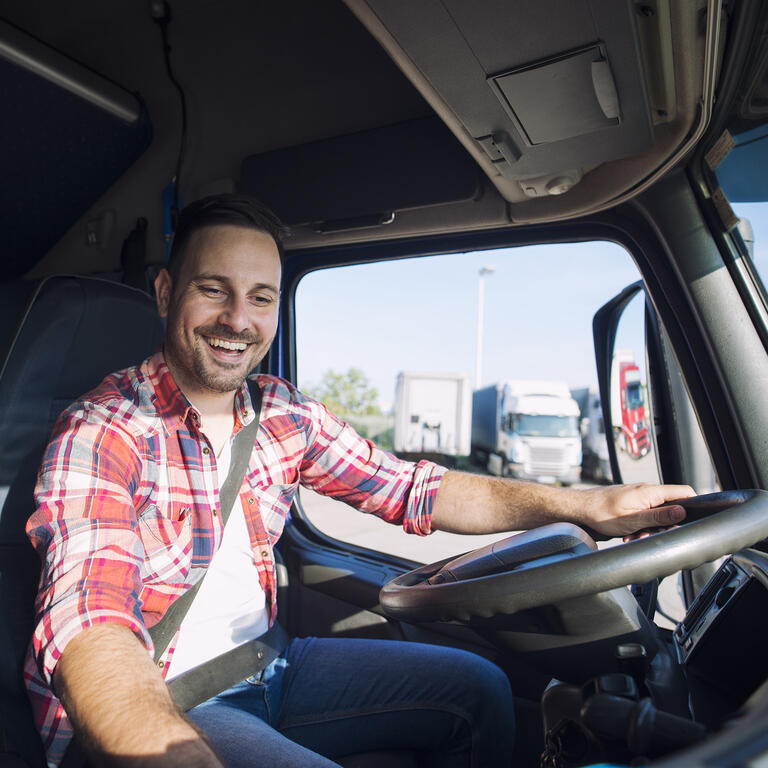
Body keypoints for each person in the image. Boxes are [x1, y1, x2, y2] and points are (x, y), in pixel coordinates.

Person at [24, 194, 693, 768]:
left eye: (261, 298)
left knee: (481, 691)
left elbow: (417, 490)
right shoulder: (105, 428)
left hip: (272, 663)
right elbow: (89, 624)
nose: (239, 320)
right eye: (213, 290)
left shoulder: (282, 414)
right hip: (172, 692)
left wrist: (595, 505)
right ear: (168, 292)